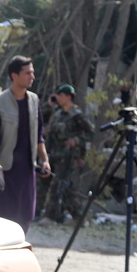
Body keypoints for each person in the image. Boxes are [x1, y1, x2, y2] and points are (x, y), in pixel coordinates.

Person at [0, 55, 50, 232]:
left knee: (24, 217)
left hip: (27, 170)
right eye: (27, 73)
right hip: (6, 170)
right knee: (2, 218)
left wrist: (44, 160)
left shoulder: (34, 100)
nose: (32, 77)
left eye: (32, 73)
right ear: (14, 76)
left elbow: (39, 135)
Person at [40, 85, 95, 222]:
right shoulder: (57, 113)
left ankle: (49, 217)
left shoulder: (77, 115)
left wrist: (77, 141)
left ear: (68, 97)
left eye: (61, 95)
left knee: (57, 185)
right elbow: (42, 120)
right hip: (53, 154)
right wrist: (49, 105)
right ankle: (78, 217)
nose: (58, 98)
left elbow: (90, 133)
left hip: (68, 156)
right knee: (57, 187)